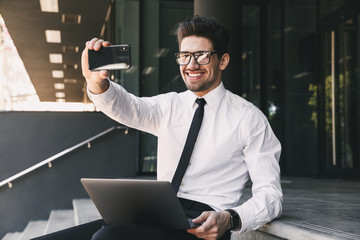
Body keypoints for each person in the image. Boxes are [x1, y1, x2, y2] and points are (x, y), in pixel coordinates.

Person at [36, 16, 282, 240]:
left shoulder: (249, 118)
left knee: (108, 237)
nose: (192, 64)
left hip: (203, 225)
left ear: (223, 61)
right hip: (155, 214)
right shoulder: (170, 105)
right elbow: (127, 107)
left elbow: (270, 195)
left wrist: (231, 218)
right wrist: (96, 82)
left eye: (202, 55)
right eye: (184, 55)